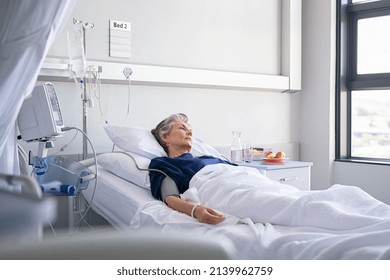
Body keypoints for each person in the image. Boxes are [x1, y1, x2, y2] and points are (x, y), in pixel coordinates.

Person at [149, 113, 390, 229]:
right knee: (300, 206)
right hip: (218, 188)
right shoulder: (162, 165)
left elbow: (241, 173)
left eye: (190, 128)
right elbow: (169, 197)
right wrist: (196, 210)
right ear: (165, 136)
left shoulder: (210, 157)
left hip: (244, 178)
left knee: (328, 195)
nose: (190, 131)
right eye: (182, 128)